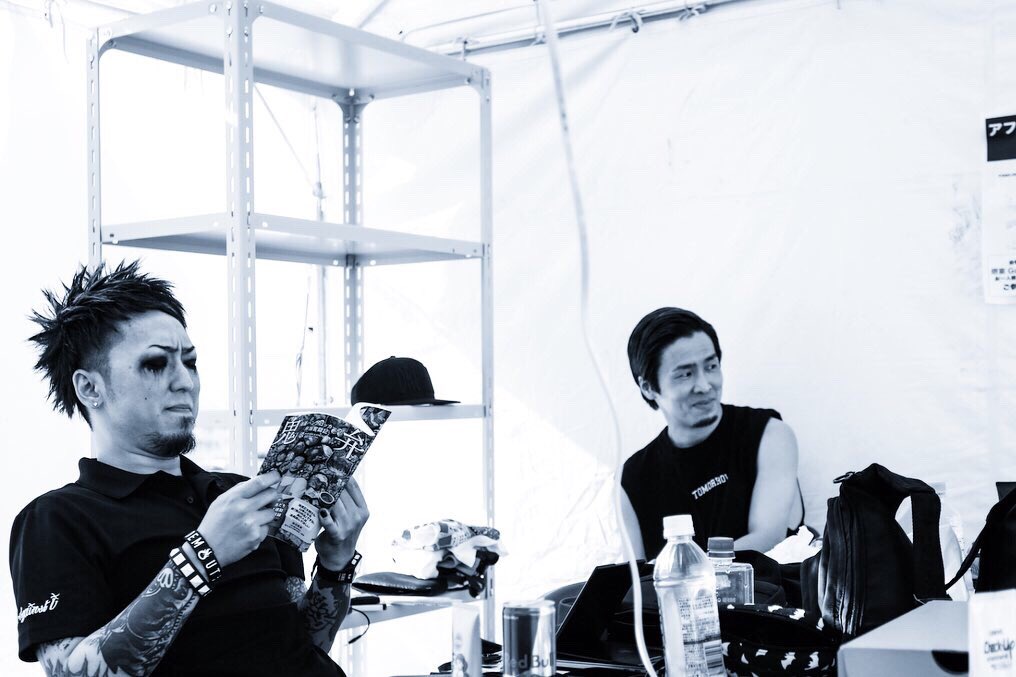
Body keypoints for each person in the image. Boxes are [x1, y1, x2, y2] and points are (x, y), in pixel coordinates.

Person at [10, 261, 367, 676]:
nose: (186, 383)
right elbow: (73, 673)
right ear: (90, 388)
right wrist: (202, 556)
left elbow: (303, 643)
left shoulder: (240, 495)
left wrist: (336, 565)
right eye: (155, 364)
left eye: (190, 363)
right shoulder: (57, 520)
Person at [621, 307, 804, 559]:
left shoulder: (769, 435)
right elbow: (636, 576)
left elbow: (767, 539)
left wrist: (681, 569)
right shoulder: (632, 479)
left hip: (770, 585)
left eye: (711, 366)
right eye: (685, 374)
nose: (705, 385)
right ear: (648, 387)